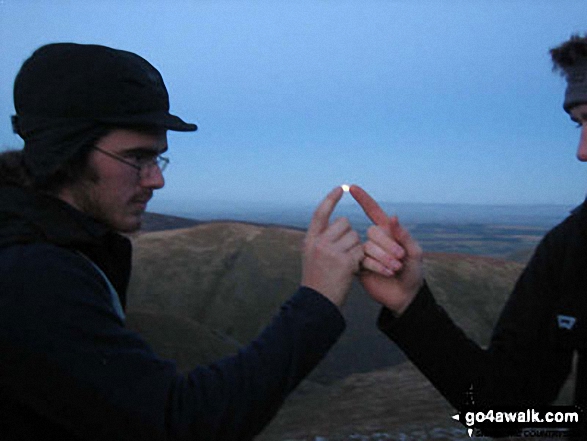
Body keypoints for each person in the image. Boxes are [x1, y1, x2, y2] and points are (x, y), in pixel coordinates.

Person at [0, 43, 364, 440]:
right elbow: (183, 422)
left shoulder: (42, 249)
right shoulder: (33, 275)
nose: (156, 179)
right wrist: (318, 299)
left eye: (158, 158)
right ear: (67, 152)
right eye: (137, 158)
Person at [348, 33, 587, 438]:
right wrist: (408, 303)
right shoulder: (570, 249)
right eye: (580, 123)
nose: (582, 150)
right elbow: (502, 408)